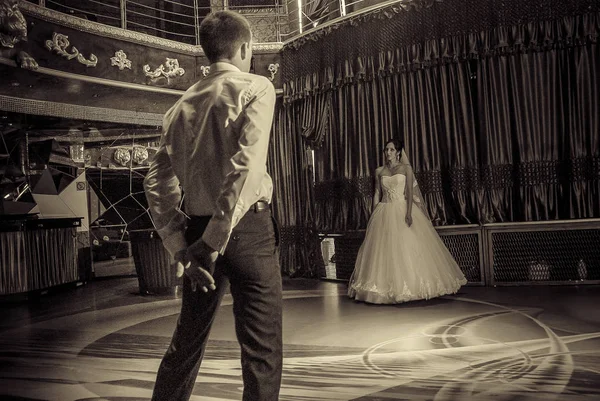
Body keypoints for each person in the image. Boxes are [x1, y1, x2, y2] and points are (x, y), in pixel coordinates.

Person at [143, 11, 282, 401]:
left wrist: (181, 244)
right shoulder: (256, 87)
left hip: (196, 232)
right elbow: (247, 167)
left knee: (186, 343)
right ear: (243, 48)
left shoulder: (177, 109)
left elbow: (155, 180)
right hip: (249, 232)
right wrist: (215, 239)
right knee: (261, 351)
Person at [347, 138, 467, 304]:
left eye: (391, 149)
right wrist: (374, 213)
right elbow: (376, 193)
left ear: (398, 152)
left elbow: (410, 193)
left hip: (402, 209)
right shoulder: (379, 171)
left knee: (406, 248)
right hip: (384, 210)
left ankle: (410, 287)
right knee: (384, 251)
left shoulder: (406, 169)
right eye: (386, 150)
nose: (387, 152)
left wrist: (409, 213)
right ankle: (383, 289)